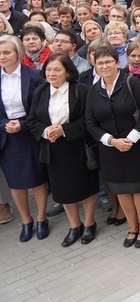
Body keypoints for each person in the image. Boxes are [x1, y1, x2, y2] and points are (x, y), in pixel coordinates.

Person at [85, 45, 140, 248]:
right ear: (95, 66)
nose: (104, 66)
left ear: (118, 63)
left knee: (139, 188)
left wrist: (130, 139)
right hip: (110, 150)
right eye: (100, 63)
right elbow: (90, 123)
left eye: (108, 62)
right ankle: (132, 227)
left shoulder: (131, 83)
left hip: (136, 146)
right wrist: (112, 141)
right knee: (122, 190)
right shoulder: (93, 91)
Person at [28, 53, 98, 247]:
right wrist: (46, 131)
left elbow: (89, 120)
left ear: (68, 72)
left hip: (77, 146)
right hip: (53, 149)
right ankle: (74, 225)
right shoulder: (40, 92)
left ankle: (89, 223)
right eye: (48, 69)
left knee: (86, 186)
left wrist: (64, 130)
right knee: (63, 189)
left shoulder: (82, 90)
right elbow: (32, 120)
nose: (52, 73)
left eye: (57, 69)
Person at [0, 35, 48, 242]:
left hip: (31, 133)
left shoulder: (34, 75)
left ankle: (41, 218)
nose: (2, 57)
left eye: (6, 52)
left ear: (18, 53)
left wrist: (24, 124)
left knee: (37, 177)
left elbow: (44, 107)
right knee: (16, 181)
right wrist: (3, 124)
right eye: (0, 53)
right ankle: (26, 221)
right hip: (7, 136)